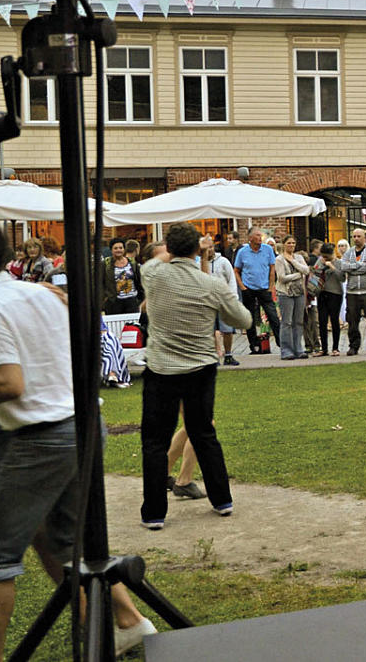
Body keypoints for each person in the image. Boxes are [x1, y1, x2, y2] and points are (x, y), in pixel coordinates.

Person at [0, 216, 145, 658]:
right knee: (63, 541)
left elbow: (7, 385)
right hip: (83, 425)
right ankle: (127, 626)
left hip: (42, 436)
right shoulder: (38, 293)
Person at [139, 223, 252, 529]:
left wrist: (176, 251)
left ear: (168, 248)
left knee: (155, 441)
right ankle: (222, 500)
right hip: (200, 368)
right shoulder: (210, 284)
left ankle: (154, 513)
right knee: (203, 434)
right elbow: (243, 319)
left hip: (161, 369)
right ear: (197, 250)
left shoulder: (153, 274)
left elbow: (153, 262)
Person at [233, 228, 279, 353]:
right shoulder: (242, 252)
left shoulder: (268, 249)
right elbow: (236, 270)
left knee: (273, 315)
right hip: (248, 288)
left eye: (261, 235)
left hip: (264, 288)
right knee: (250, 318)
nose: (260, 237)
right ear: (250, 238)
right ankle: (254, 345)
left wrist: (271, 286)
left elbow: (272, 269)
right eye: (257, 235)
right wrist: (242, 287)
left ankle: (281, 342)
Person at [200, 235, 240, 366]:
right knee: (210, 331)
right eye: (206, 248)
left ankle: (228, 355)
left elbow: (231, 280)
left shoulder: (223, 262)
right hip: (207, 302)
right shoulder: (198, 263)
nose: (209, 250)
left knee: (227, 329)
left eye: (211, 247)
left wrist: (233, 298)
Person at [341, 228, 366, 355]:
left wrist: (352, 268)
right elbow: (343, 266)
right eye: (354, 236)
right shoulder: (348, 252)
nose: (356, 239)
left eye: (359, 236)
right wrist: (359, 266)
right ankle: (354, 346)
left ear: (364, 237)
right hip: (352, 292)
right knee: (352, 321)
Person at [274, 235, 310, 361]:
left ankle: (298, 348)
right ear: (284, 244)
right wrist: (298, 275)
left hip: (299, 292)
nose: (291, 245)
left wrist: (294, 262)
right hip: (285, 293)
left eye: (293, 243)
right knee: (287, 322)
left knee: (298, 322)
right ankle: (286, 350)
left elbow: (306, 270)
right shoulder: (279, 259)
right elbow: (282, 278)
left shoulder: (299, 257)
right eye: (289, 243)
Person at [312, 243, 344, 357]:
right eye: (323, 256)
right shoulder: (320, 261)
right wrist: (321, 266)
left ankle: (335, 348)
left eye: (327, 256)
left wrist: (332, 267)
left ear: (332, 254)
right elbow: (314, 273)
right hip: (322, 293)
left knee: (334, 320)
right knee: (322, 321)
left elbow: (342, 278)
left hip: (335, 293)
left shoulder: (339, 262)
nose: (325, 258)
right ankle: (324, 348)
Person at [102, 238, 144, 315]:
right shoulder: (106, 264)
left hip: (132, 301)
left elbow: (139, 280)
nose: (118, 250)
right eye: (115, 248)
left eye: (121, 248)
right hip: (114, 302)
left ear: (124, 249)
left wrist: (141, 297)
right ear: (111, 250)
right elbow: (101, 282)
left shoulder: (132, 262)